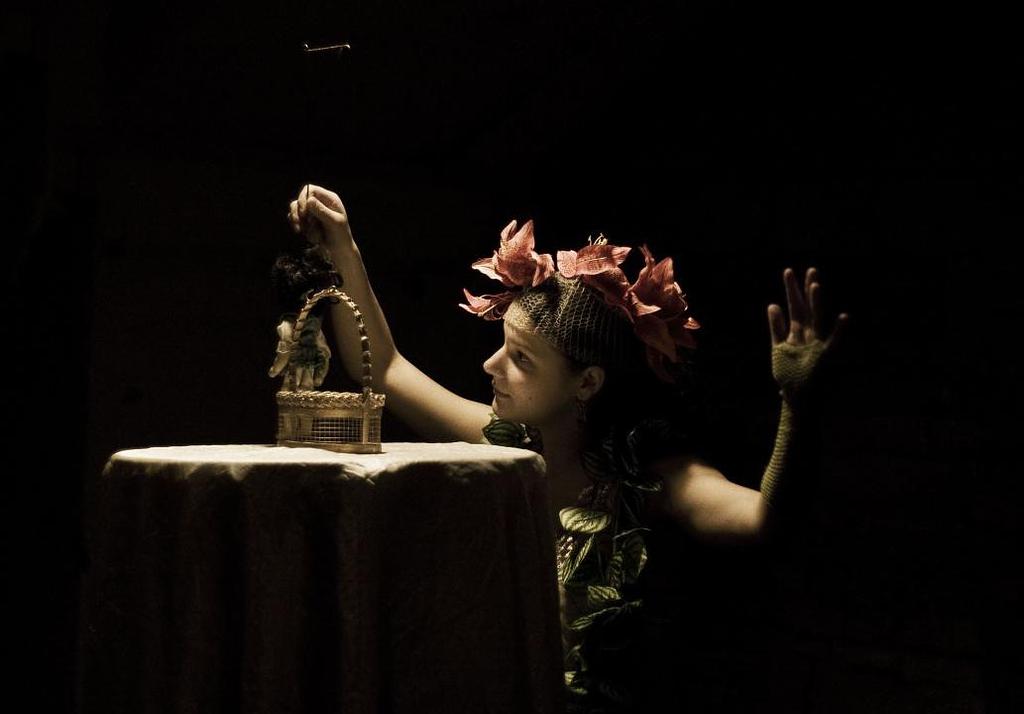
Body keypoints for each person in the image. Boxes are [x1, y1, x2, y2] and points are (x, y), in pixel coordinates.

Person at [288, 184, 848, 712]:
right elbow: (384, 368)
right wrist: (343, 244)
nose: (490, 365)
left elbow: (766, 520)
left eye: (521, 359)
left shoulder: (659, 480)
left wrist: (797, 406)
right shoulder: (506, 447)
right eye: (503, 347)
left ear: (587, 384)